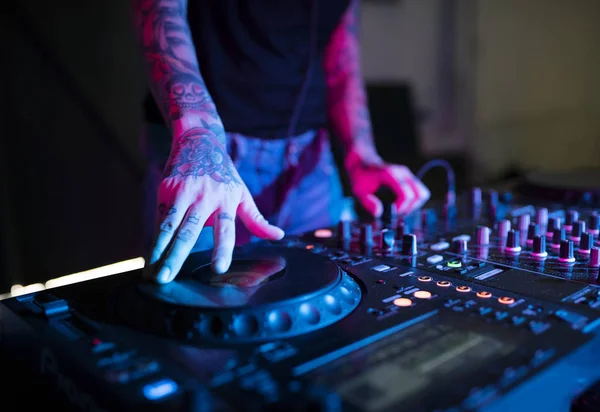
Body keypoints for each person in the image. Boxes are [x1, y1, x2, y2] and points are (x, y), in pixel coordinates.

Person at [132, 0, 430, 284]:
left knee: (327, 303)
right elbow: (159, 16)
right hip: (211, 164)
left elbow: (341, 56)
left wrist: (361, 153)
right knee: (197, 314)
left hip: (310, 163)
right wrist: (200, 137)